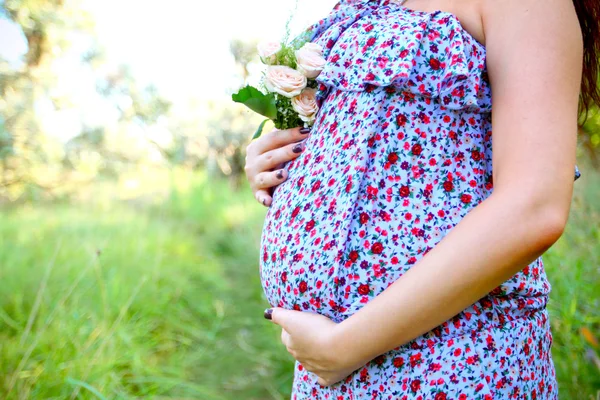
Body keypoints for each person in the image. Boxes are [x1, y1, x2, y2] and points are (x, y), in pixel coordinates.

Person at [243, 0, 599, 398]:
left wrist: (342, 347)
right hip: (331, 372)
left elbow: (534, 207)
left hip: (450, 362)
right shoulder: (369, 5)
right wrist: (282, 159)